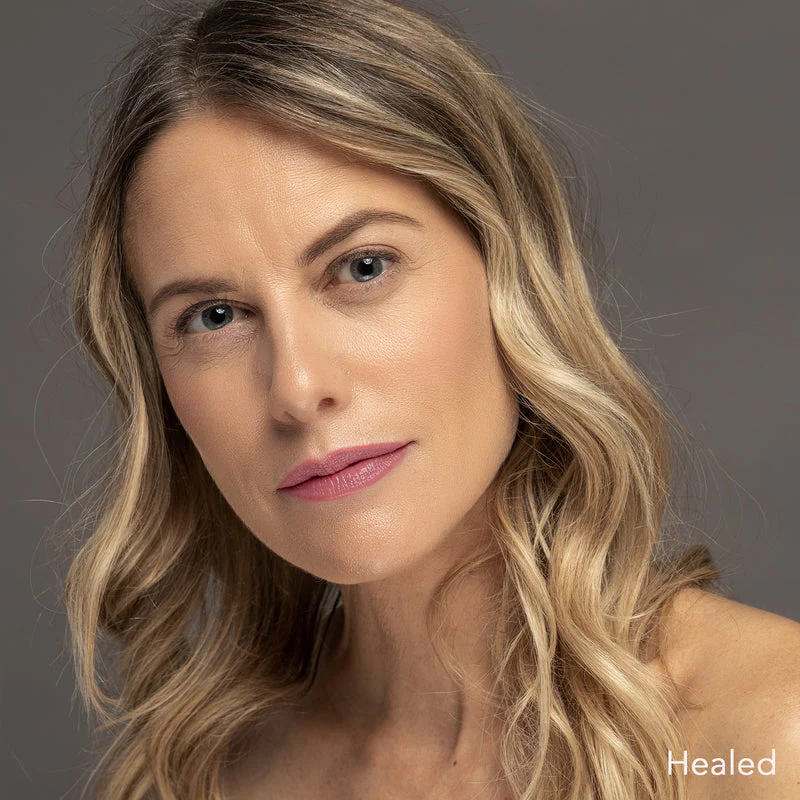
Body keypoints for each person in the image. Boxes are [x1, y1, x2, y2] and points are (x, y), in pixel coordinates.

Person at [61, 0, 800, 798]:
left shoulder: (764, 737)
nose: (298, 389)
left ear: (510, 267)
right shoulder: (193, 778)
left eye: (362, 267)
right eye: (214, 317)